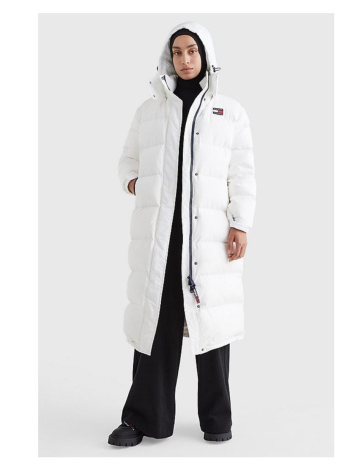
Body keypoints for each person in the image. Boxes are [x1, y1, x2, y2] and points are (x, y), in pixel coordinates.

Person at [109, 21, 256, 447]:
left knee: (212, 323)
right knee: (155, 324)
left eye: (192, 51)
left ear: (205, 55)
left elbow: (242, 173)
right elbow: (127, 160)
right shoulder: (150, 110)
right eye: (177, 52)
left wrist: (240, 222)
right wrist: (137, 184)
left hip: (209, 238)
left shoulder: (229, 111)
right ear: (168, 57)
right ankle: (142, 419)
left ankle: (217, 419)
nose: (185, 59)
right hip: (160, 238)